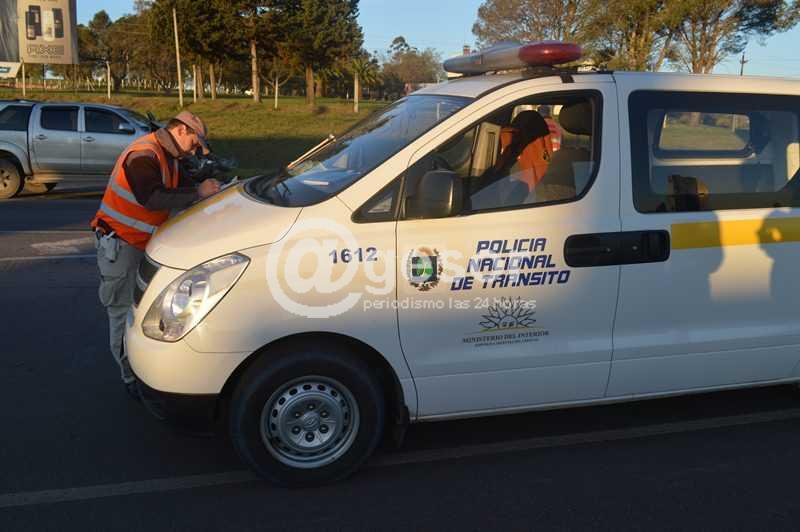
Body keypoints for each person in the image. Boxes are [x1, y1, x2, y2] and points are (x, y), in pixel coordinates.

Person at [90, 111, 221, 399]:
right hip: (122, 247)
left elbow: (184, 189)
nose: (195, 151)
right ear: (181, 130)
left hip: (143, 246)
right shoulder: (143, 154)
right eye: (195, 143)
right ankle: (130, 378)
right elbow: (153, 198)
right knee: (122, 313)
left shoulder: (169, 156)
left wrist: (207, 190)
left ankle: (142, 370)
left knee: (143, 314)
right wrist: (199, 192)